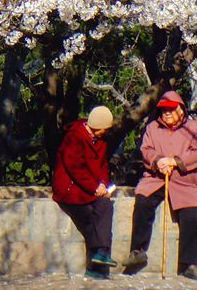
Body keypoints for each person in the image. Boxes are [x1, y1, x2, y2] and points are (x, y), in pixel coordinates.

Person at [123, 90, 197, 281]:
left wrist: (175, 161)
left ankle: (189, 264)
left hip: (185, 182)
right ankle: (137, 251)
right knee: (143, 203)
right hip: (156, 178)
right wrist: (158, 161)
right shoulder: (152, 128)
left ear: (181, 109)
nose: (167, 113)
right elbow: (146, 149)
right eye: (163, 110)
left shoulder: (194, 128)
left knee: (190, 217)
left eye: (171, 109)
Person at [51, 105, 118, 281]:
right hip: (70, 190)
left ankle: (102, 253)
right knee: (92, 220)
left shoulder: (101, 140)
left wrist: (103, 185)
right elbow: (75, 167)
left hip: (90, 188)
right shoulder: (74, 137)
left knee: (105, 207)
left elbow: (102, 166)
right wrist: (94, 187)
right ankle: (96, 268)